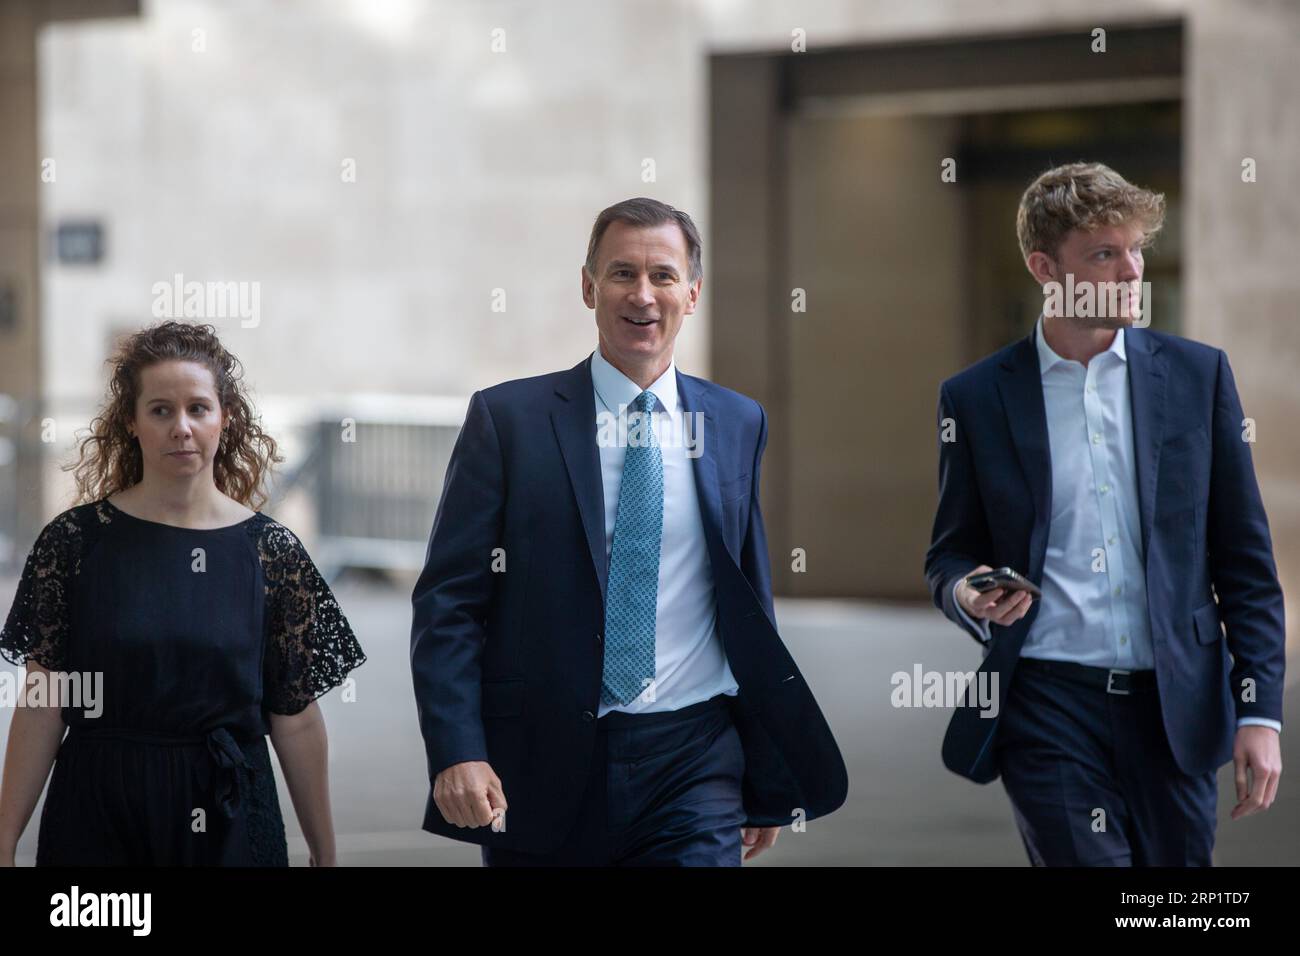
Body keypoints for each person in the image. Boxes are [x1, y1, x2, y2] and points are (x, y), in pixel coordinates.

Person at [411, 197, 847, 866]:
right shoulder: (510, 421)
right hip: (542, 760)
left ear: (692, 292)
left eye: (664, 276)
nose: (643, 295)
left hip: (695, 759)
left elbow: (749, 602)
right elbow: (450, 602)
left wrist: (763, 770)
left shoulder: (735, 422)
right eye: (622, 273)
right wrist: (457, 749)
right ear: (588, 287)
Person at [925, 162, 1285, 866]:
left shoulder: (1197, 376)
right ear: (1043, 267)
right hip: (1047, 703)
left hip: (1173, 706)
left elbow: (1246, 564)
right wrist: (968, 591)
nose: (1132, 272)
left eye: (1136, 250)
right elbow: (949, 552)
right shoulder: (975, 399)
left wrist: (1260, 711)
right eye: (1104, 254)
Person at [0, 321, 366, 866]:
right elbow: (42, 702)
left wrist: (325, 849)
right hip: (99, 810)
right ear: (132, 421)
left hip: (229, 812)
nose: (181, 427)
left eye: (198, 407)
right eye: (160, 410)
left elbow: (296, 717)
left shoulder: (273, 555)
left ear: (224, 417)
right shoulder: (74, 543)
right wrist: (4, 841)